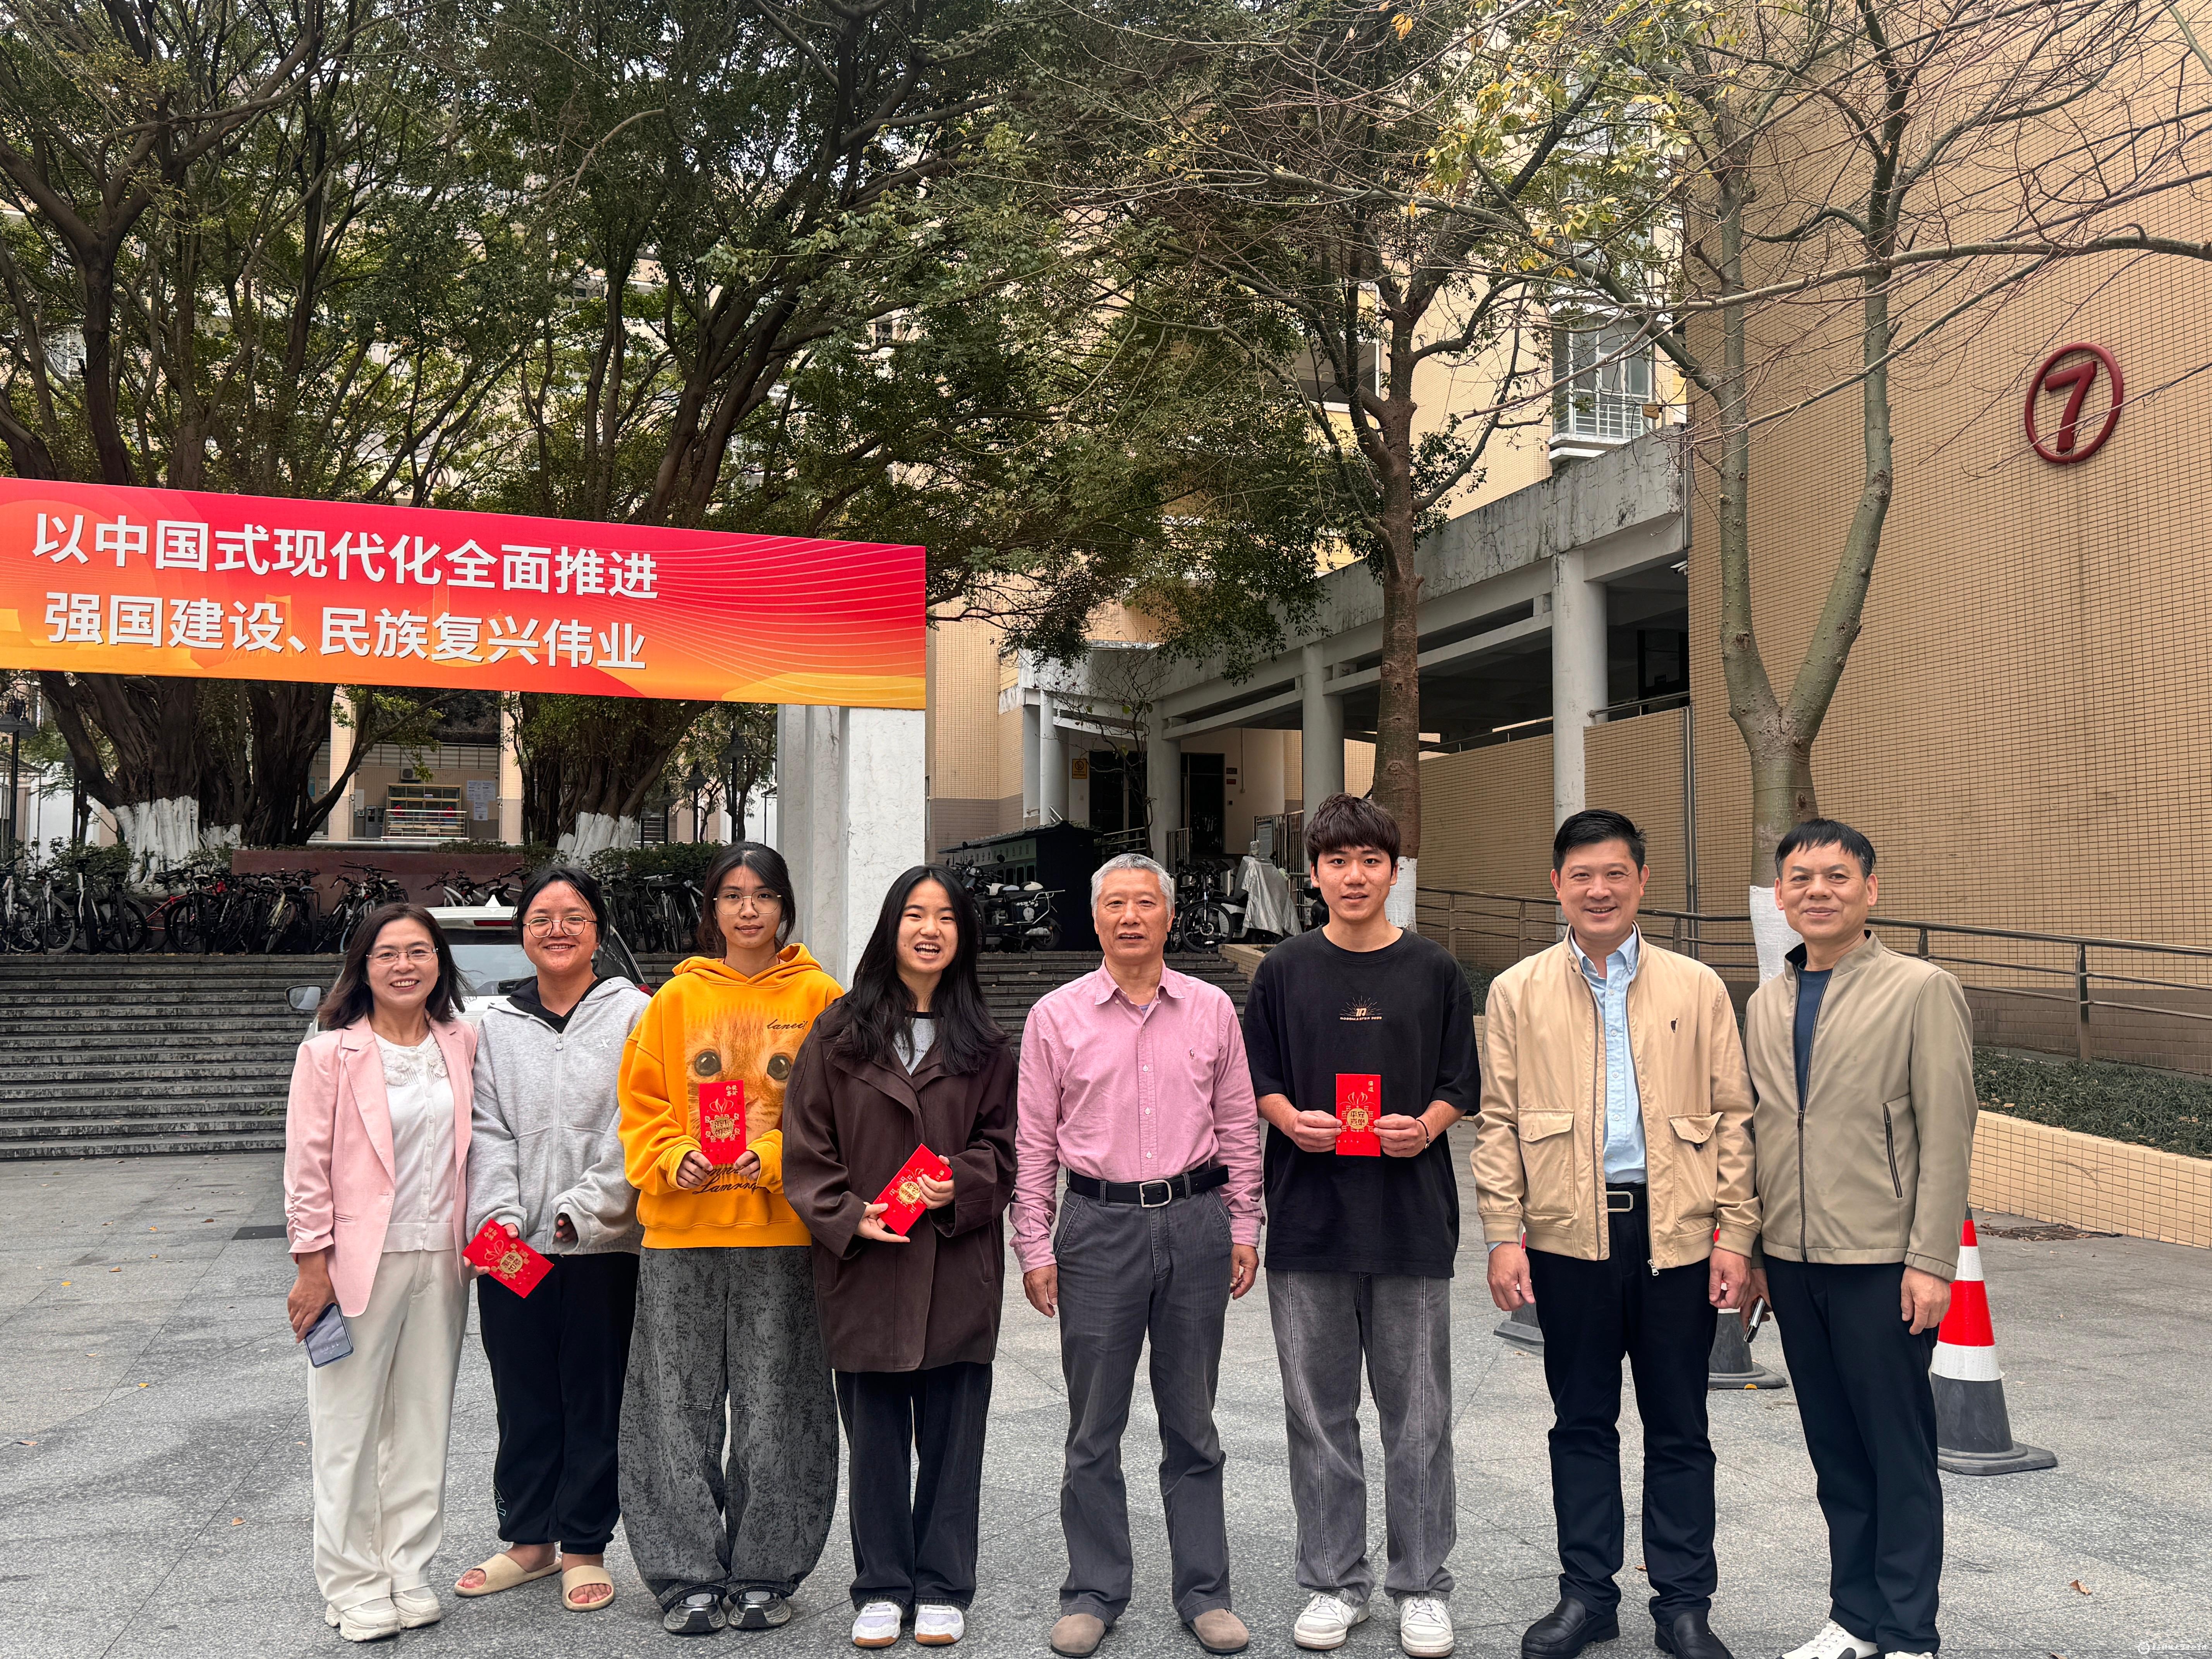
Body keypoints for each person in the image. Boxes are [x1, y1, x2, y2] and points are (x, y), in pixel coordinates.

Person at [1473, 809, 1757, 1659]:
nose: (1599, 890)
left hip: (1678, 1239)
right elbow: (1498, 1121)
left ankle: (1684, 1605)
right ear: (1556, 885)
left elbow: (1734, 1118)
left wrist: (1736, 1235)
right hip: (1568, 1239)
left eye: (1615, 874)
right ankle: (1587, 1595)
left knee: (1681, 1426)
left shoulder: (1697, 987)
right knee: (1582, 1423)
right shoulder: (1517, 990)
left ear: (1642, 882)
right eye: (1582, 876)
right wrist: (1503, 1232)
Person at [1241, 795, 1479, 1659]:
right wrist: (1287, 1118)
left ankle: (1421, 1586)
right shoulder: (1284, 971)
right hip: (1309, 1220)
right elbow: (1256, 1076)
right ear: (1314, 874)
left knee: (1419, 1419)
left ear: (1393, 870)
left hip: (1411, 1221)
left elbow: (1461, 1081)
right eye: (1337, 861)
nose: (1354, 876)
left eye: (1370, 860)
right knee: (1318, 1415)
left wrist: (1429, 1125)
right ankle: (1333, 1581)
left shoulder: (1434, 969)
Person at [1013, 852, 1263, 1659]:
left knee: (1193, 1421)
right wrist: (1034, 1242)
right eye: (1115, 903)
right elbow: (1033, 1141)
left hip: (1195, 1222)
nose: (1130, 916)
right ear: (1095, 919)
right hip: (1096, 1227)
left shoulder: (1212, 1008)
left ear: (1169, 916)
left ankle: (1205, 1593)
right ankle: (1094, 1591)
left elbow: (1238, 1125)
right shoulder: (1055, 1016)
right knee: (1094, 1425)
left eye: (1145, 903)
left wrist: (1244, 1224)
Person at [1745, 821, 1977, 1659]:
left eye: (1837, 877)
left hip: (1883, 1262)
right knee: (1836, 1453)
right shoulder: (1765, 1001)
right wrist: (1759, 1252)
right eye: (1801, 878)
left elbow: (1948, 1133)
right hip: (1793, 1262)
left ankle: (1910, 1631)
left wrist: (1931, 1261)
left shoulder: (1921, 989)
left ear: (1870, 890)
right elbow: (1759, 1131)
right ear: (1781, 895)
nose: (1819, 891)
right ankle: (1854, 1618)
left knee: (1897, 1451)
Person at [782, 866, 1019, 1650]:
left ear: (963, 935)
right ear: (891, 927)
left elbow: (1006, 1149)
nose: (929, 930)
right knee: (877, 1441)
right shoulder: (839, 1033)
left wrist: (962, 1183)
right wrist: (848, 1214)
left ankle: (945, 1585)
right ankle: (882, 1585)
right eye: (915, 915)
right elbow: (805, 1149)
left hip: (956, 1265)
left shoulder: (985, 1043)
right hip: (868, 1267)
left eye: (945, 917)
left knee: (954, 1438)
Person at [617, 842, 846, 1636]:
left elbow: (838, 1110)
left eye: (763, 895)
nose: (748, 909)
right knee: (672, 1407)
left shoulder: (822, 997)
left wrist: (779, 1154)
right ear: (711, 909)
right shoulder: (674, 1001)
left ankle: (766, 1571)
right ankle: (685, 1575)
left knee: (779, 1406)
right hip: (681, 1235)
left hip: (783, 1233)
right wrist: (672, 1154)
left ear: (785, 907)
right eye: (732, 895)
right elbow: (641, 1105)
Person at [459, 864, 651, 1614]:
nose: (557, 930)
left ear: (599, 932)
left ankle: (583, 1547)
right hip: (508, 1244)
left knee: (594, 1395)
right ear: (523, 934)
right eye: (541, 918)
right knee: (522, 1392)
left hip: (600, 1242)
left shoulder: (636, 1013)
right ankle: (529, 1541)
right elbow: (484, 1130)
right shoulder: (495, 1027)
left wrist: (585, 1209)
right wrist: (499, 1220)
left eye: (574, 917)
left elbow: (637, 1125)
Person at [283, 902, 478, 1643]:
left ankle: (407, 1569)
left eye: (419, 951)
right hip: (355, 1266)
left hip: (443, 1261)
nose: (405, 965)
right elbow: (306, 1169)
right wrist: (311, 1267)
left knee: (424, 1421)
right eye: (388, 953)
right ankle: (353, 1582)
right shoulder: (329, 1054)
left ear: (439, 963)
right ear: (362, 968)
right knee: (347, 1429)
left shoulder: (462, 1041)